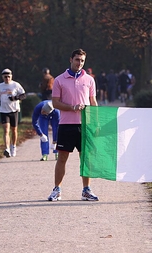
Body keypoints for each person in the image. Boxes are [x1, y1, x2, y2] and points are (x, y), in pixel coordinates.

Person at [48, 48, 99, 201]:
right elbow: (55, 103)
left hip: (84, 126)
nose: (79, 63)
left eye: (82, 60)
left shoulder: (89, 80)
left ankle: (86, 190)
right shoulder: (59, 80)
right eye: (77, 60)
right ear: (71, 60)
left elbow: (93, 102)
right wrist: (72, 108)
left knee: (86, 158)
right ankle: (57, 189)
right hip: (66, 125)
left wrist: (95, 123)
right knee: (62, 158)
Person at [0, 68, 26, 158]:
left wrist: (15, 98)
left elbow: (23, 95)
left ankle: (14, 146)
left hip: (14, 110)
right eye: (5, 77)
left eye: (8, 77)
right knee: (6, 130)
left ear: (11, 76)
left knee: (14, 130)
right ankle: (7, 148)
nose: (7, 78)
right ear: (2, 77)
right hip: (4, 111)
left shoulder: (15, 85)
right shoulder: (0, 86)